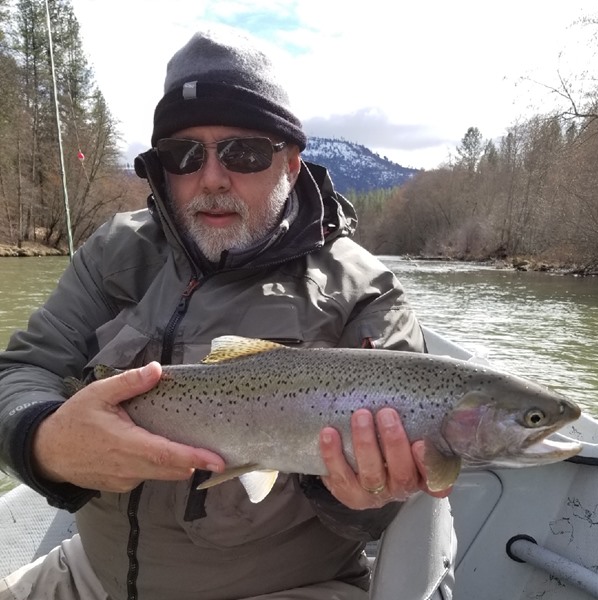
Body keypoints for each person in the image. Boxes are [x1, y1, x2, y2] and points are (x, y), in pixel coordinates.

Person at [0, 25, 450, 600]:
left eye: (244, 151)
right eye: (184, 154)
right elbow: (23, 370)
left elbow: (384, 508)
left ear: (290, 164)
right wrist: (46, 440)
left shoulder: (364, 292)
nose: (211, 177)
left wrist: (360, 495)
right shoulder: (114, 253)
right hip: (90, 574)